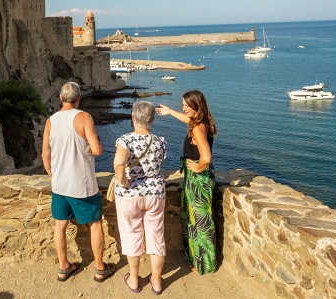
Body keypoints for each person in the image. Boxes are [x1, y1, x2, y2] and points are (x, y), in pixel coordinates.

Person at [41, 82, 116, 282]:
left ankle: (63, 267)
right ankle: (99, 268)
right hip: (82, 184)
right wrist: (95, 145)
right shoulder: (83, 117)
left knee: (60, 225)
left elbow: (45, 153)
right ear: (78, 99)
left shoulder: (50, 121)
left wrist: (52, 175)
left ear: (60, 98)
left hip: (59, 185)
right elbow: (97, 150)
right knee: (95, 224)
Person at [155, 90, 217, 275]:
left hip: (199, 179)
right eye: (182, 104)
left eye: (187, 105)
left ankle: (204, 264)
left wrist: (197, 168)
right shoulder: (201, 121)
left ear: (197, 105)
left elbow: (206, 157)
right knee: (197, 218)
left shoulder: (197, 128)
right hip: (198, 178)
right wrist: (170, 112)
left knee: (200, 221)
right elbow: (188, 120)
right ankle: (199, 259)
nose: (183, 108)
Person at [113, 101, 168, 294]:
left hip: (130, 195)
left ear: (133, 118)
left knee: (132, 235)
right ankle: (157, 281)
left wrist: (123, 182)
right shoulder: (160, 141)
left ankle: (134, 280)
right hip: (155, 193)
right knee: (156, 237)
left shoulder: (125, 140)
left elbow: (119, 164)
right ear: (152, 120)